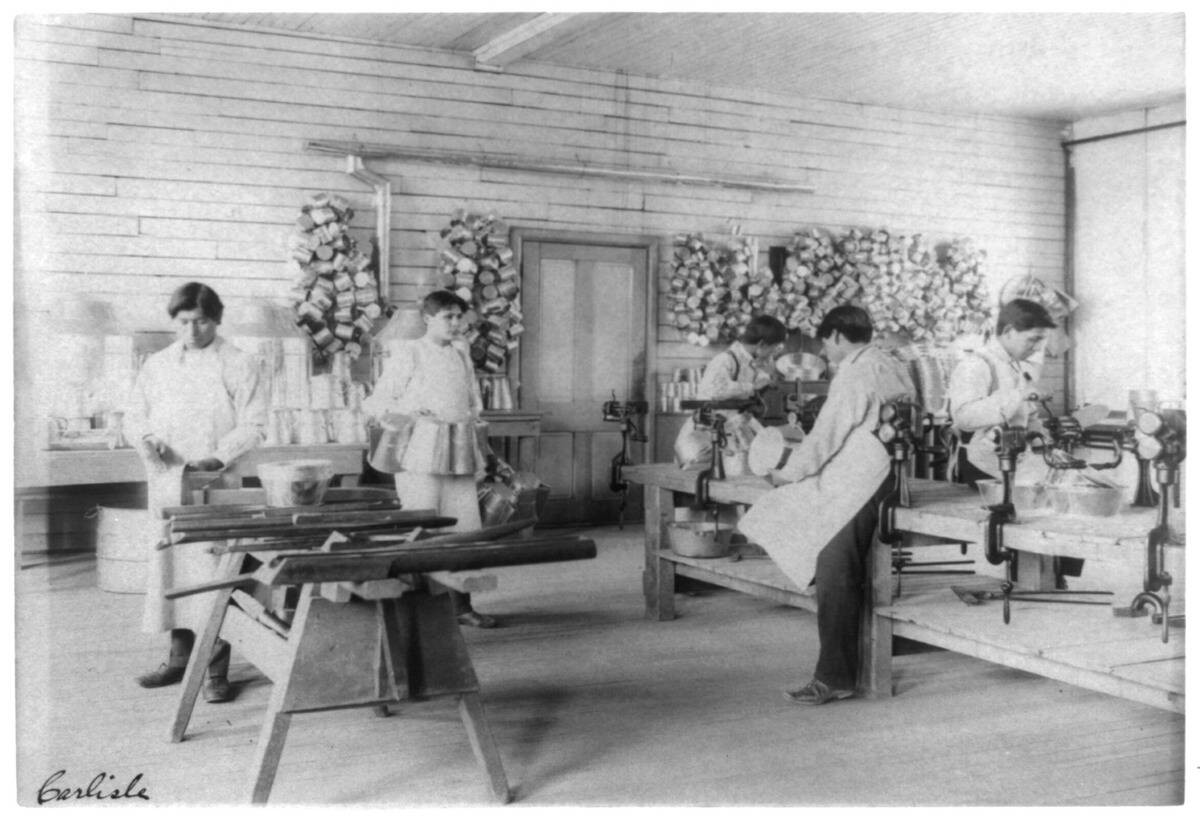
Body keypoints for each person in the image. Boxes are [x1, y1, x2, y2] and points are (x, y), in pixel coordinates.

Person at [738, 305, 914, 705]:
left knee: (831, 560)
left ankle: (835, 676)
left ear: (835, 336)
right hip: (887, 472)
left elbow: (826, 436)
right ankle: (840, 665)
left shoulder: (855, 371)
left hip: (867, 476)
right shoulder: (888, 361)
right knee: (812, 535)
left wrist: (788, 473)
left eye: (825, 344)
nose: (826, 352)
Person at [126, 282, 268, 703]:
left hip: (215, 480)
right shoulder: (158, 365)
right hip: (168, 480)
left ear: (217, 320)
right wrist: (147, 439)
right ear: (174, 321)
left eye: (202, 321)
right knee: (172, 567)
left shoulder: (239, 363)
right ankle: (178, 658)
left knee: (214, 572)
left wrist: (218, 458)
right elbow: (134, 417)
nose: (192, 330)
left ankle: (215, 670)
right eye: (184, 321)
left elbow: (255, 424)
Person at [363, 290, 496, 628]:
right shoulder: (410, 352)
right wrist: (409, 412)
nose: (456, 323)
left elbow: (472, 404)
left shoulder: (461, 354)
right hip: (419, 452)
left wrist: (477, 439)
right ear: (427, 319)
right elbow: (377, 402)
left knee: (464, 525)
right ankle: (418, 611)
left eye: (459, 316)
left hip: (459, 450)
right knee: (422, 524)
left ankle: (461, 606)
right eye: (447, 317)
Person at [947, 298, 1083, 583]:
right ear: (1008, 331)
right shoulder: (976, 364)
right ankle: (1043, 574)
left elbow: (1027, 418)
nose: (1036, 348)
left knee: (1070, 483)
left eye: (1040, 341)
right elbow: (963, 417)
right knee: (1050, 496)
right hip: (979, 461)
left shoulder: (1016, 368)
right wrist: (1016, 396)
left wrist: (1045, 444)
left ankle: (1054, 571)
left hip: (1012, 459)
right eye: (1032, 340)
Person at [674, 315, 787, 471]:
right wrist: (752, 387)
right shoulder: (725, 360)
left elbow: (759, 383)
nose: (773, 353)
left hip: (735, 425)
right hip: (709, 430)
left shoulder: (751, 362)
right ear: (761, 344)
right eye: (773, 348)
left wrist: (767, 380)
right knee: (708, 475)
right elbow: (715, 389)